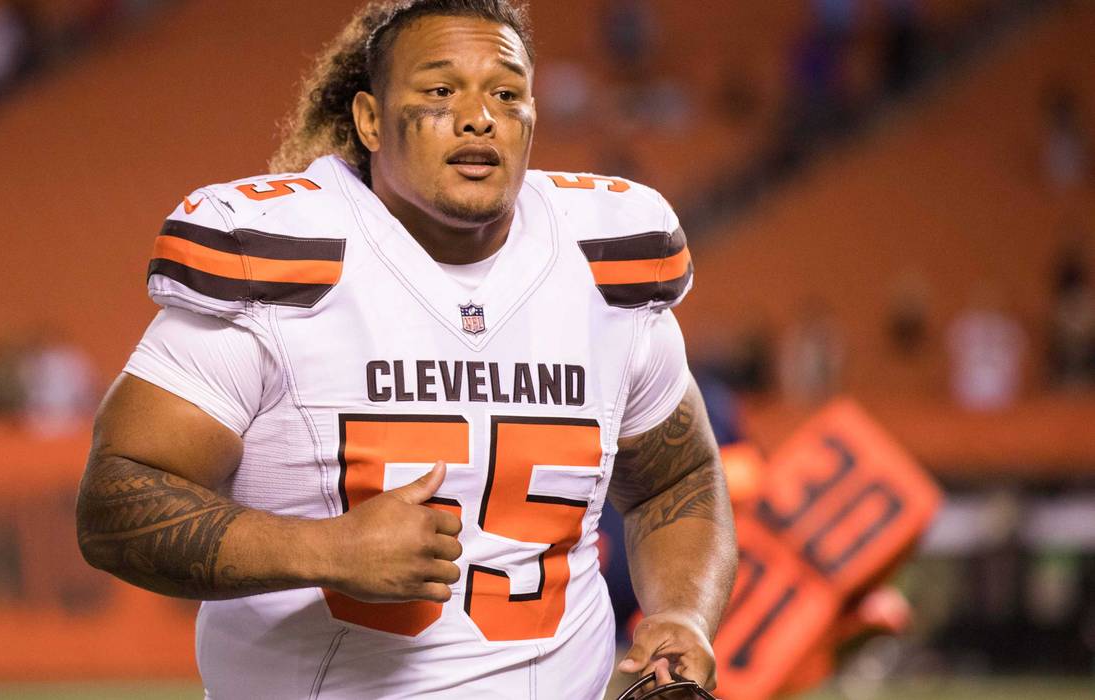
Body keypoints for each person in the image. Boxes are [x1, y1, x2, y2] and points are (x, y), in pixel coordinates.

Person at [75, 1, 736, 698]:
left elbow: (677, 477)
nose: (479, 116)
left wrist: (681, 613)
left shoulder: (602, 261)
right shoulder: (284, 262)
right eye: (440, 91)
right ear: (369, 120)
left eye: (506, 93)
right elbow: (116, 502)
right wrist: (323, 550)